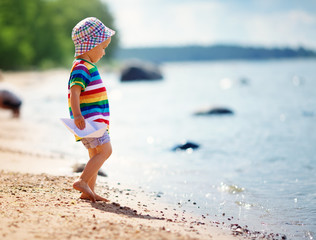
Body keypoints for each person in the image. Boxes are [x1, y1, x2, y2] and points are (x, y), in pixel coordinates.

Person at [68, 17, 115, 202]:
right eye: (103, 47)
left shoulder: (85, 66)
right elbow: (74, 91)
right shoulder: (82, 66)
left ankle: (88, 191)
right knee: (105, 152)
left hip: (91, 121)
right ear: (90, 45)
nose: (103, 53)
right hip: (90, 121)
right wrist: (78, 114)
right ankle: (82, 180)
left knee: (95, 154)